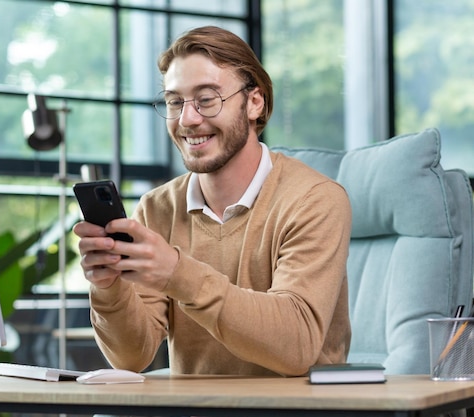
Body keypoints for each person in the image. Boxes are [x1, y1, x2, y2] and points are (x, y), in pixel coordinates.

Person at [73, 25, 351, 377]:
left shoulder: (315, 200)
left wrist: (177, 273)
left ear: (254, 101)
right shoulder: (158, 208)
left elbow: (296, 345)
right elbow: (132, 358)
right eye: (175, 102)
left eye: (207, 99)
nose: (187, 119)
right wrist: (109, 289)